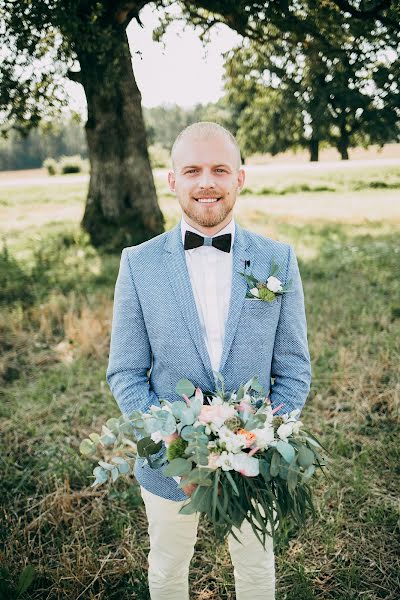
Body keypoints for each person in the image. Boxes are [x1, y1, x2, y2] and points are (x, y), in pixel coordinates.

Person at [106, 122, 311, 600]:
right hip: (167, 463)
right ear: (173, 180)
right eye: (193, 170)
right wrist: (168, 445)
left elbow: (295, 368)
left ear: (240, 177)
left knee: (257, 566)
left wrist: (262, 438)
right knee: (168, 568)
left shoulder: (277, 259)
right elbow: (126, 371)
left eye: (220, 169)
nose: (207, 182)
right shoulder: (139, 263)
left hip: (254, 461)